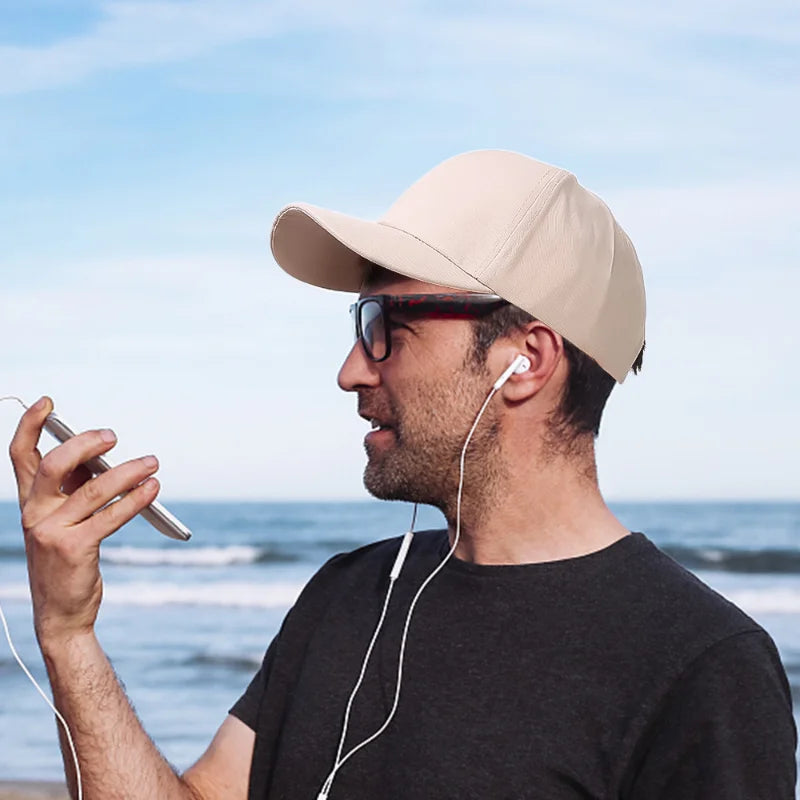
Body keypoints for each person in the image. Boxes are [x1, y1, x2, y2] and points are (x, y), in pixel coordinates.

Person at [9, 150, 797, 799]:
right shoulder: (348, 595)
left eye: (388, 327)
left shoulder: (699, 665)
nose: (351, 371)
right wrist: (68, 634)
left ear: (525, 360)